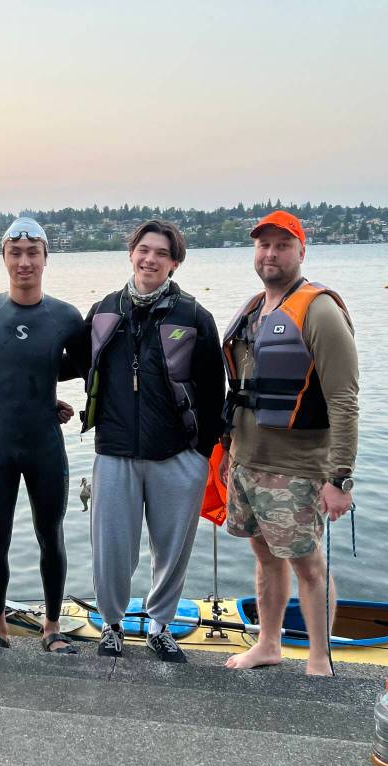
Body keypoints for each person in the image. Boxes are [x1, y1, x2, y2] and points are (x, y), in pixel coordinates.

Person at [81, 219, 226, 662]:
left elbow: (213, 388)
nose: (150, 259)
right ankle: (112, 624)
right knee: (112, 549)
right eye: (144, 250)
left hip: (177, 454)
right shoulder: (104, 310)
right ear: (131, 253)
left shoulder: (194, 316)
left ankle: (161, 626)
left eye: (161, 253)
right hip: (115, 451)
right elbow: (70, 364)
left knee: (172, 548)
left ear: (174, 263)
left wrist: (203, 453)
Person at [221, 210, 358, 676]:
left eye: (282, 245)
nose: (271, 253)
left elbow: (344, 400)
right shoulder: (252, 309)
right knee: (264, 556)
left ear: (302, 251)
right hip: (245, 463)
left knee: (307, 564)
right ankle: (269, 644)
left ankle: (319, 658)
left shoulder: (319, 310)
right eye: (264, 245)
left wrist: (339, 478)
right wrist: (226, 456)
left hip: (297, 468)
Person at [0, 216, 87, 654]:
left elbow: (88, 365)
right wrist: (5, 380)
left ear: (45, 259)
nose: (23, 262)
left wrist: (44, 388)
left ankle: (52, 627)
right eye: (15, 253)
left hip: (44, 444)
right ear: (3, 258)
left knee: (49, 534)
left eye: (32, 253)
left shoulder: (66, 316)